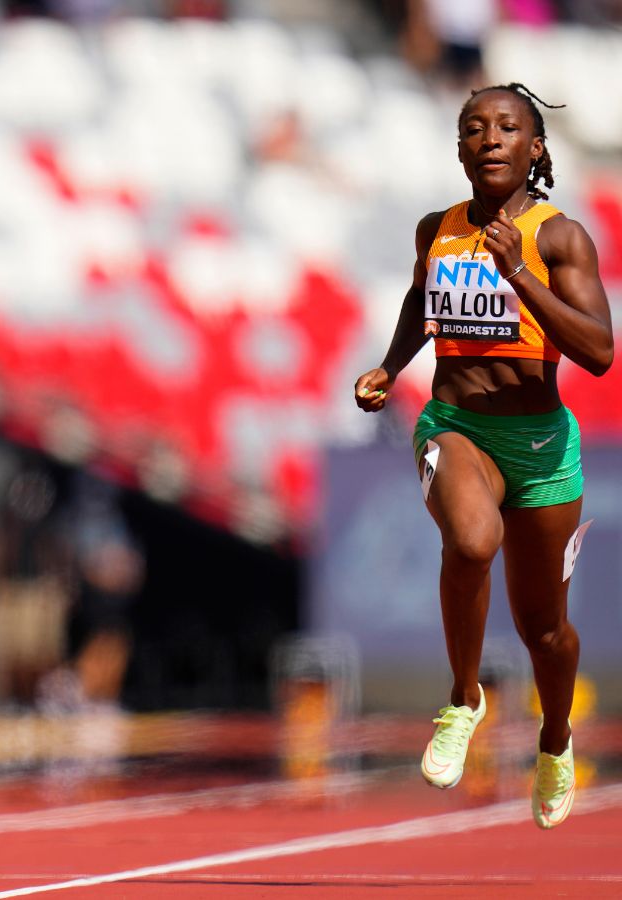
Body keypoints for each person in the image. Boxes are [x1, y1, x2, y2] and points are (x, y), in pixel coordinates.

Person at [354, 83, 612, 829]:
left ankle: (555, 738)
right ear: (460, 148)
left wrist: (520, 275)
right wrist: (391, 364)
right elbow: (420, 299)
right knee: (471, 541)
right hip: (455, 424)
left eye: (508, 127)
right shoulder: (436, 229)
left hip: (541, 446)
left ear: (536, 149)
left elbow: (598, 352)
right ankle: (464, 700)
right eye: (474, 128)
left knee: (545, 631)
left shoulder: (559, 238)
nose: (490, 138)